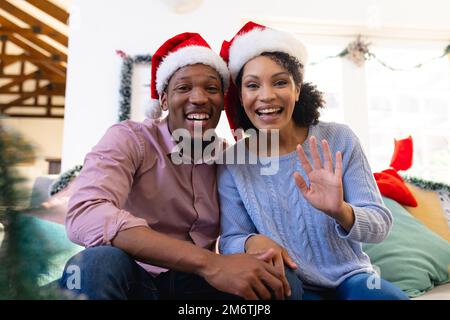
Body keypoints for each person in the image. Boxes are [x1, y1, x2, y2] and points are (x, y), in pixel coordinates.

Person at [60, 32, 301, 300]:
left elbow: (244, 229)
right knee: (94, 263)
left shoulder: (231, 160)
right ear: (163, 99)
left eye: (211, 89)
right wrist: (209, 262)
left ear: (223, 100)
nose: (198, 98)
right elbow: (84, 213)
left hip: (197, 288)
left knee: (275, 278)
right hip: (133, 279)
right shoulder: (130, 139)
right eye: (184, 88)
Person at [217, 21, 409, 300]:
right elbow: (230, 240)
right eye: (252, 85)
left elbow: (379, 224)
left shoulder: (339, 139)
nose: (266, 95)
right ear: (241, 95)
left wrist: (340, 210)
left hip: (352, 277)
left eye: (280, 82)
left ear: (297, 89)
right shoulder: (232, 161)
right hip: (287, 282)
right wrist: (251, 241)